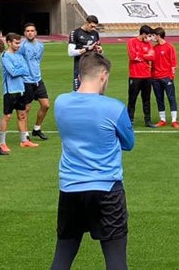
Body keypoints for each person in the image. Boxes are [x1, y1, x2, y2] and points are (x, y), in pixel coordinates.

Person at [50, 51, 135, 270]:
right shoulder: (113, 107)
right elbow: (128, 143)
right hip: (106, 187)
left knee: (63, 254)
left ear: (79, 76)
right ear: (104, 76)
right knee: (116, 259)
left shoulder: (61, 102)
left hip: (70, 187)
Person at [0, 31, 36, 151]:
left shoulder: (19, 56)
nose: (18, 45)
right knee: (7, 116)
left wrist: (18, 69)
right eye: (16, 43)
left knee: (22, 115)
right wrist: (19, 69)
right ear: (9, 43)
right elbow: (13, 72)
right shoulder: (5, 56)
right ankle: (1, 142)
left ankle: (24, 140)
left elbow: (26, 70)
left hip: (21, 89)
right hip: (10, 91)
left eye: (19, 43)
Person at [21, 22, 52, 141]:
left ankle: (37, 129)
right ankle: (25, 135)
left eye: (32, 31)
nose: (30, 33)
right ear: (25, 33)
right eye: (27, 31)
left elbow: (37, 60)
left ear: (36, 32)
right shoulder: (22, 47)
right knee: (26, 108)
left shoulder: (40, 46)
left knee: (46, 105)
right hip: (26, 81)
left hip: (38, 79)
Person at [127, 25, 156, 128]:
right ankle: (130, 120)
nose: (149, 38)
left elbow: (152, 56)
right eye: (148, 36)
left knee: (147, 99)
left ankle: (147, 120)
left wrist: (140, 55)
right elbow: (133, 56)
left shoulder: (148, 44)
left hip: (147, 75)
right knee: (132, 99)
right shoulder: (132, 42)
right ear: (143, 34)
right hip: (135, 75)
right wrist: (145, 55)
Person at [151, 27, 179, 128]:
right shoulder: (154, 48)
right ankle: (162, 119)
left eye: (154, 35)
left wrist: (171, 76)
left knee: (171, 98)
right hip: (155, 78)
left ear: (158, 36)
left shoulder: (169, 47)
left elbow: (173, 62)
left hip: (166, 77)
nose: (153, 37)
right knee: (159, 99)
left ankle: (174, 120)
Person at [68, 15, 102, 91]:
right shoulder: (75, 33)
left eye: (95, 27)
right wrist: (87, 49)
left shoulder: (95, 33)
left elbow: (98, 49)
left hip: (93, 67)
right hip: (80, 67)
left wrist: (100, 50)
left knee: (93, 93)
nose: (93, 29)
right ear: (86, 23)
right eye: (92, 26)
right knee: (78, 93)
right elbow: (70, 53)